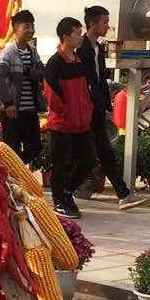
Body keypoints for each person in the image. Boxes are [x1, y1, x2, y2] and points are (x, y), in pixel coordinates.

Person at [78, 4, 144, 209]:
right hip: (84, 108)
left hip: (97, 108)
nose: (108, 26)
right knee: (85, 153)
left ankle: (123, 194)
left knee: (105, 152)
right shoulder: (81, 49)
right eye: (105, 22)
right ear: (92, 24)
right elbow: (83, 81)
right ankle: (70, 189)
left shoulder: (99, 48)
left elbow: (100, 80)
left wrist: (106, 104)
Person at [45, 17, 96, 219]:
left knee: (88, 158)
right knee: (61, 163)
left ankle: (68, 190)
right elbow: (51, 94)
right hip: (63, 124)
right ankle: (59, 201)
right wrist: (65, 112)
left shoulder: (79, 61)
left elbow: (86, 90)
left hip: (82, 123)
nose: (81, 37)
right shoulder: (55, 63)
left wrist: (87, 109)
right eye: (77, 33)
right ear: (66, 36)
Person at [0, 9, 45, 165]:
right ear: (15, 28)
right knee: (12, 150)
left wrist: (30, 72)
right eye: (26, 27)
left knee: (35, 147)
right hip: (13, 112)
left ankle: (16, 170)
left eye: (32, 26)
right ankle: (12, 174)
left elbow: (42, 73)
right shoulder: (8, 52)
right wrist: (8, 103)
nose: (31, 30)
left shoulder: (33, 51)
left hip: (30, 110)